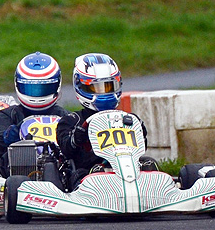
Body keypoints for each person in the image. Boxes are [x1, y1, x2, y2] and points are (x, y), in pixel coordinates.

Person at [56, 53, 149, 188]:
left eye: (109, 87)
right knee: (85, 173)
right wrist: (76, 138)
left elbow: (141, 148)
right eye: (96, 87)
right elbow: (66, 151)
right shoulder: (71, 121)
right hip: (88, 176)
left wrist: (140, 130)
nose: (104, 93)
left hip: (127, 170)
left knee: (148, 163)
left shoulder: (128, 119)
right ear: (80, 87)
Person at [0, 51, 68, 174]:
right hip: (17, 176)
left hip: (61, 173)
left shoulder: (65, 117)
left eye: (43, 88)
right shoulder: (8, 115)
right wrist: (8, 136)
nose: (37, 94)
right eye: (31, 88)